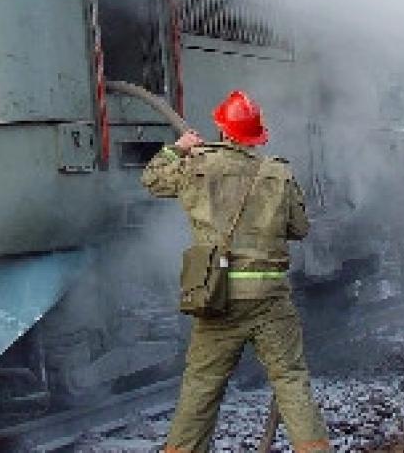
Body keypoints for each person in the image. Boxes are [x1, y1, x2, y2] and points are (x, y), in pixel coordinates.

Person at [141, 90, 331, 453]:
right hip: (270, 299)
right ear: (256, 136)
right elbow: (300, 228)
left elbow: (152, 179)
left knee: (201, 383)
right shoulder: (278, 173)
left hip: (218, 296)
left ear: (223, 130)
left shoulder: (197, 164)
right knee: (290, 379)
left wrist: (177, 148)